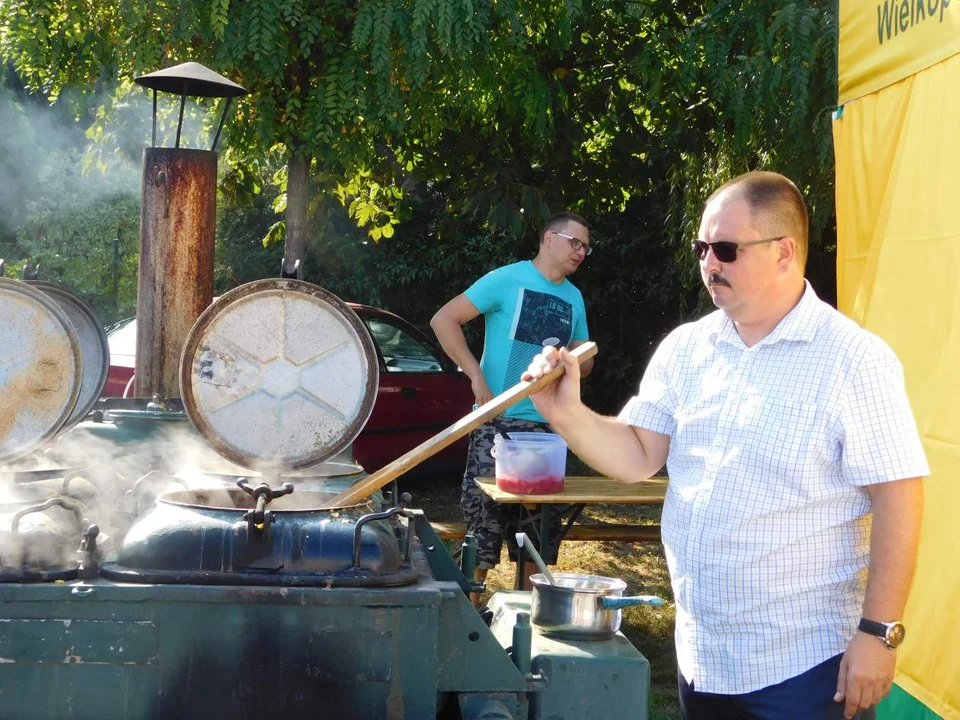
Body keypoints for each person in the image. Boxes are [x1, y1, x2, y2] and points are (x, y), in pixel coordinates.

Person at [522, 172, 927, 719]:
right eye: (702, 247)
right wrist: (563, 412)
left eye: (727, 249)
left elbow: (899, 497)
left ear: (784, 253)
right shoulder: (688, 348)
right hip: (703, 657)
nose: (709, 263)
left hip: (805, 667)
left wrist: (878, 634)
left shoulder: (855, 360)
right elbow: (638, 456)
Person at [430, 212, 594, 602]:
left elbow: (584, 359)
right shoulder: (507, 279)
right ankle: (469, 617)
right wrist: (475, 376)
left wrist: (569, 361)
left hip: (548, 429)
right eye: (575, 242)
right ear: (548, 238)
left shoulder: (574, 297)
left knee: (539, 531)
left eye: (586, 247)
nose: (581, 252)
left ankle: (528, 617)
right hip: (496, 420)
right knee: (482, 522)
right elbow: (444, 320)